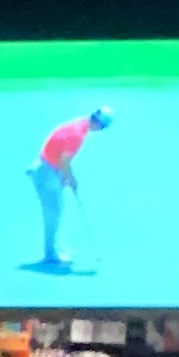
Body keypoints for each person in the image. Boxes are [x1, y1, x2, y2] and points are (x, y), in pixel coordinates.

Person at [27, 104, 111, 274]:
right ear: (99, 125)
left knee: (58, 210)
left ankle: (54, 247)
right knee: (53, 213)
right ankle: (50, 254)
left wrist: (63, 176)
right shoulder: (77, 135)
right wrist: (71, 179)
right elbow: (64, 161)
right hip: (46, 172)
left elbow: (61, 155)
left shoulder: (79, 124)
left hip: (48, 168)